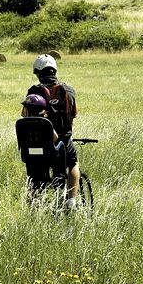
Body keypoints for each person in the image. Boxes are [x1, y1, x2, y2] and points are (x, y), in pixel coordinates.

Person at [26, 54, 81, 207]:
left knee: (35, 174)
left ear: (38, 73)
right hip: (62, 142)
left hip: (37, 144)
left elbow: (26, 115)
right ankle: (71, 201)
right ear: (54, 71)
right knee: (73, 162)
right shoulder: (68, 90)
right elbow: (74, 115)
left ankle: (33, 207)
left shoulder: (33, 91)